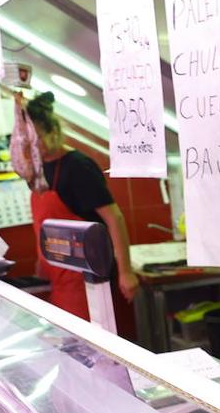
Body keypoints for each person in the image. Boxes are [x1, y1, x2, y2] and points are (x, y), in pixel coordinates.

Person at [24, 92, 139, 326]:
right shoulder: (40, 169)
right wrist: (41, 263)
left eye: (34, 139)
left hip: (88, 281)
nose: (30, 147)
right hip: (60, 281)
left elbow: (114, 217)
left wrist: (126, 272)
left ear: (52, 132)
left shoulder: (78, 166)